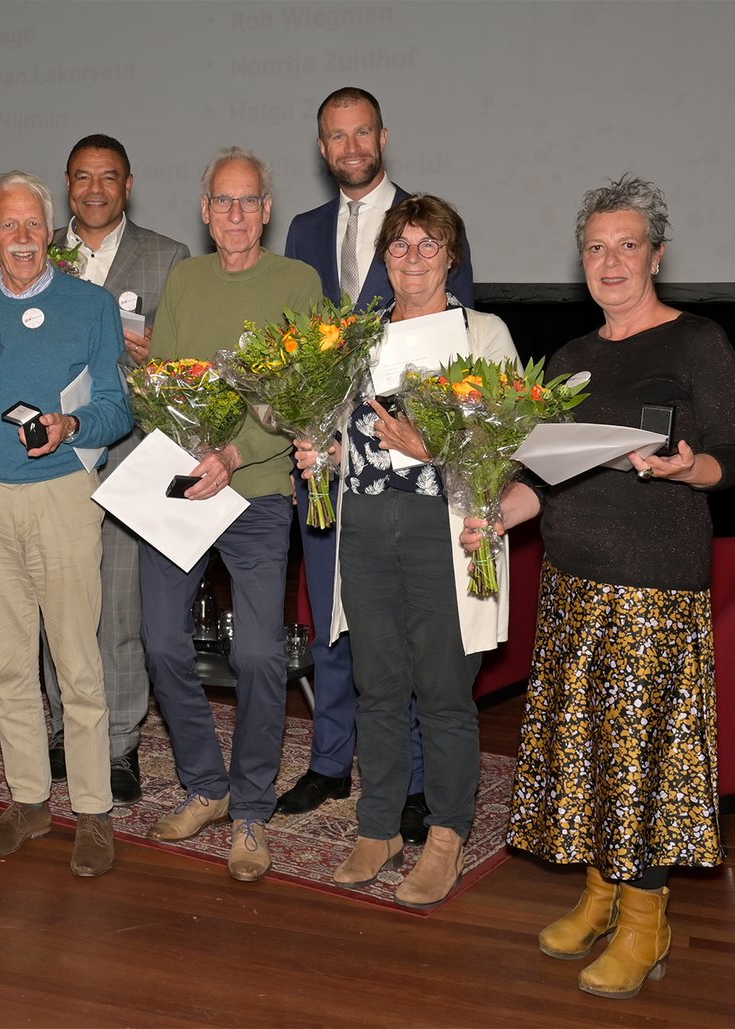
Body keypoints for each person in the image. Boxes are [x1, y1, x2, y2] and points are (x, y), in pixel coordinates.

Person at [461, 175, 735, 998]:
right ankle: (600, 890)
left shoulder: (698, 342)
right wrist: (496, 516)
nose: (610, 260)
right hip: (572, 583)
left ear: (656, 254)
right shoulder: (571, 360)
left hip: (654, 586)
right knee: (586, 746)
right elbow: (542, 480)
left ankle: (645, 915)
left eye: (627, 245)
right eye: (596, 247)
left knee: (644, 756)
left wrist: (688, 465)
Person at [297, 194, 515, 906]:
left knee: (445, 693)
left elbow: (508, 447)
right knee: (378, 684)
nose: (413, 257)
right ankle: (379, 823)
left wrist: (433, 446)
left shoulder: (481, 333)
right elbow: (339, 431)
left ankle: (447, 833)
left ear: (453, 256)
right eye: (400, 245)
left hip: (444, 531)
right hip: (364, 526)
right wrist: (320, 453)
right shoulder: (357, 337)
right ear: (382, 257)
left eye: (429, 245)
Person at [279, 86, 475, 833]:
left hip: (415, 473)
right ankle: (332, 761)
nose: (350, 146)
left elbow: (457, 355)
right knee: (334, 621)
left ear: (382, 138)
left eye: (362, 132)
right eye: (336, 135)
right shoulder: (302, 229)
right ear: (322, 146)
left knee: (417, 642)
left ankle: (418, 785)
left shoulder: (429, 225)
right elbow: (298, 344)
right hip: (330, 465)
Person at [0, 172, 132, 877]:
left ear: (51, 231)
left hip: (64, 495)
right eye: (7, 226)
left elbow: (118, 407)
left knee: (76, 661)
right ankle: (28, 800)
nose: (21, 237)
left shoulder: (92, 305)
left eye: (32, 224)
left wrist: (73, 422)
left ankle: (95, 812)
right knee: (11, 664)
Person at [141, 147, 322, 882]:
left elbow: (302, 398)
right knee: (159, 640)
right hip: (185, 483)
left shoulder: (299, 282)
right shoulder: (184, 278)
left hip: (258, 490)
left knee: (255, 653)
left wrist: (235, 454)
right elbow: (167, 382)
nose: (236, 214)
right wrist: (193, 448)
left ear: (268, 210)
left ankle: (250, 808)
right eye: (223, 201)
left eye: (249, 201)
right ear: (206, 209)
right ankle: (206, 785)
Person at [40, 133, 190, 806]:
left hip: (132, 456)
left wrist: (157, 350)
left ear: (129, 185)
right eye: (81, 177)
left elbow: (186, 366)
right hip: (50, 456)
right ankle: (65, 729)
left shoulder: (168, 257)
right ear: (67, 185)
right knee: (58, 601)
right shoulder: (35, 254)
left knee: (121, 605)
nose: (94, 189)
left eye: (108, 177)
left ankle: (122, 741)